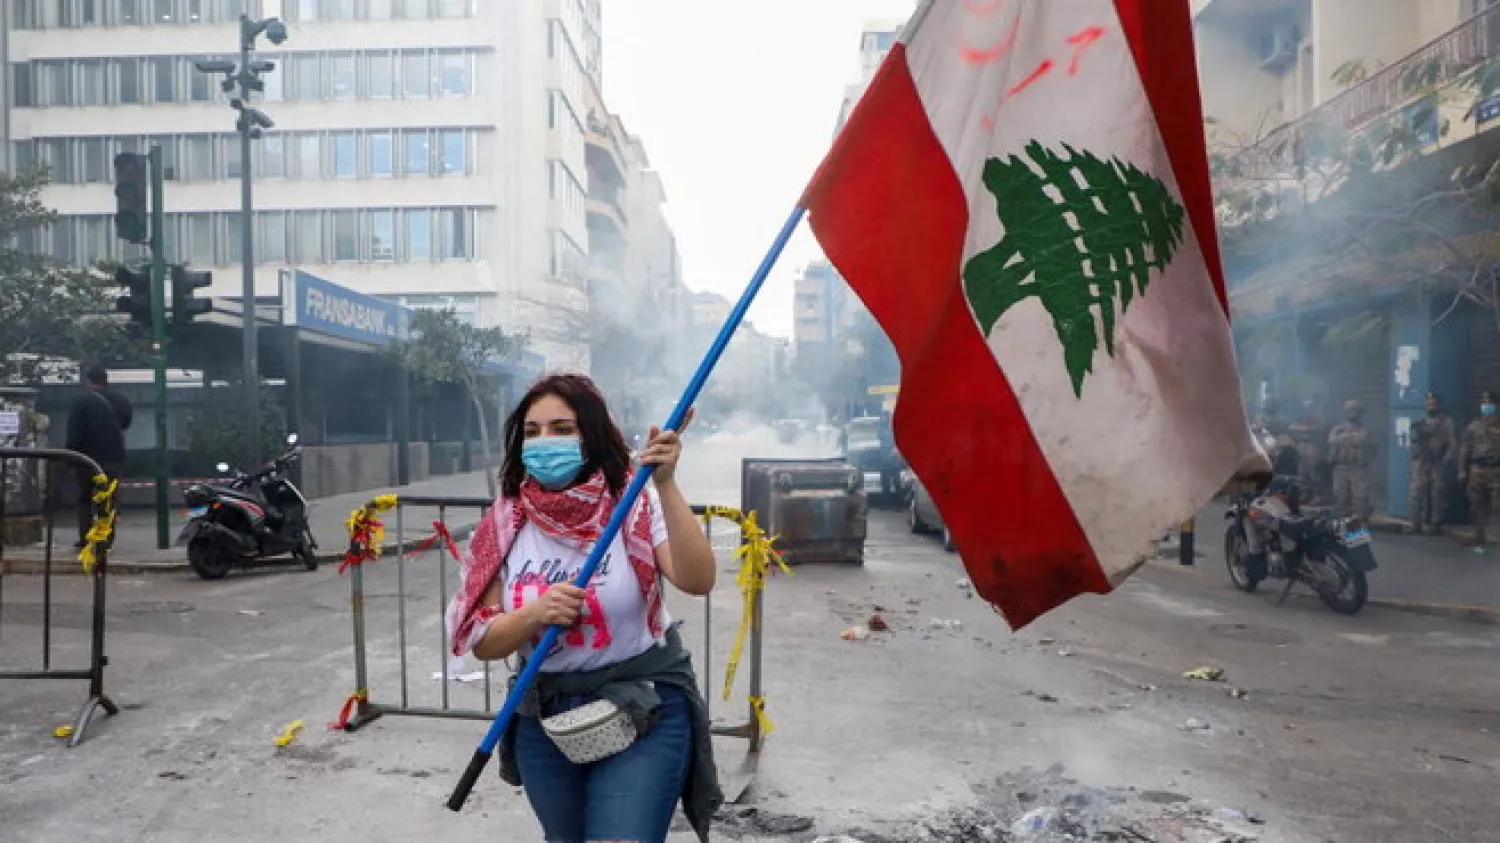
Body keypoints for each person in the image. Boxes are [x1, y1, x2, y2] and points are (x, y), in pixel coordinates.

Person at [445, 373, 723, 843]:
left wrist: (668, 485)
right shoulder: (504, 521)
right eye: (532, 432)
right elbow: (483, 642)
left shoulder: (634, 504)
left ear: (590, 435)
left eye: (561, 428)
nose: (543, 442)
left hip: (644, 705)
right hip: (545, 716)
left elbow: (698, 580)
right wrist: (534, 615)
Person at [64, 366, 132, 549]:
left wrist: (71, 460)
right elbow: (126, 423)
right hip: (114, 459)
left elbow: (75, 433)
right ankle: (105, 538)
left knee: (85, 498)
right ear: (106, 380)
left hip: (87, 460)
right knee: (108, 499)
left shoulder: (81, 402)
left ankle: (86, 538)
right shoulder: (121, 400)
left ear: (88, 381)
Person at [1409, 391, 1456, 535]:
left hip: (1437, 461)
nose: (1431, 406)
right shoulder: (1420, 422)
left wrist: (1447, 458)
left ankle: (1436, 524)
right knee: (1416, 492)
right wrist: (1415, 457)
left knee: (1438, 492)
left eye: (1434, 403)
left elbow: (1452, 442)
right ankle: (1415, 523)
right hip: (1422, 462)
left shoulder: (1446, 422)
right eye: (1428, 403)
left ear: (1439, 405)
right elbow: (1413, 442)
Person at [1459, 390, 1500, 550]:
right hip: (1477, 469)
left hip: (1496, 470)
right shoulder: (1473, 426)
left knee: (1496, 504)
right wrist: (1462, 470)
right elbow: (1465, 449)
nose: (1486, 405)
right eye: (1484, 402)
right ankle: (1478, 535)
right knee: (1476, 504)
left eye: (1489, 402)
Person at [1327, 399, 1374, 517]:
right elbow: (1332, 440)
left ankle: (1361, 521)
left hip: (1357, 468)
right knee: (1340, 496)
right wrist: (1350, 437)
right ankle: (1342, 521)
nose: (1352, 413)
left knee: (1360, 497)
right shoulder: (1338, 428)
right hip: (1340, 467)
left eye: (1354, 410)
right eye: (1349, 410)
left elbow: (1361, 440)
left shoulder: (1364, 429)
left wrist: (1343, 438)